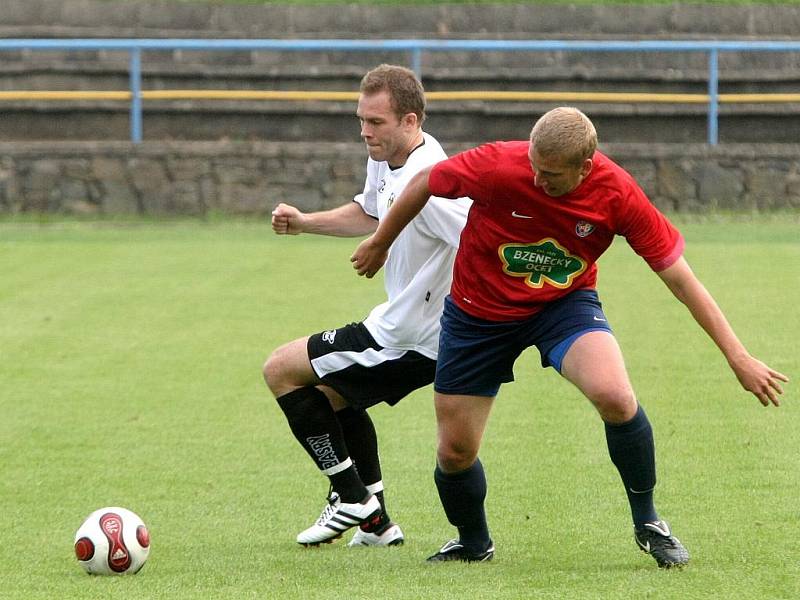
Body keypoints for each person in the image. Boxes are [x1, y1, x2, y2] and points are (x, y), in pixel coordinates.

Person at [351, 106, 788, 567]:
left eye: (552, 175)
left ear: (586, 166)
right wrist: (382, 240)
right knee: (455, 451)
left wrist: (737, 357)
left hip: (562, 306)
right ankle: (473, 542)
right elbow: (425, 182)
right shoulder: (501, 163)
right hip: (477, 313)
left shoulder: (617, 193)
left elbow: (680, 280)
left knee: (616, 396)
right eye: (535, 167)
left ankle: (649, 522)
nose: (538, 180)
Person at [263, 64, 470, 548]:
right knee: (331, 399)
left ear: (411, 121)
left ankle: (351, 497)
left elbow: (479, 241)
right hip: (403, 327)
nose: (365, 132)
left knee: (280, 369)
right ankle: (376, 525)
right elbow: (372, 211)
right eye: (362, 120)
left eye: (376, 122)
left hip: (413, 336)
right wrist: (304, 223)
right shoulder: (388, 157)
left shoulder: (434, 183)